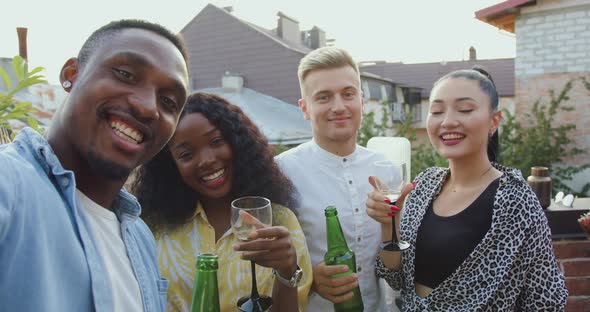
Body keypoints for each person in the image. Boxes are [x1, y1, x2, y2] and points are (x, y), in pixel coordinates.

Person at [0, 20, 190, 311]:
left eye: (168, 101)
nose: (148, 108)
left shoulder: (140, 238)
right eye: (126, 74)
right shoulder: (10, 184)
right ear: (72, 75)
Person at [366, 67, 569, 310]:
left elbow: (546, 301)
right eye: (437, 111)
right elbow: (396, 277)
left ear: (494, 120)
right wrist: (389, 222)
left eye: (465, 109)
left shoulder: (515, 199)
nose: (448, 121)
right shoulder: (423, 186)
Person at [131, 93, 313, 312]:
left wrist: (286, 271)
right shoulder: (153, 229)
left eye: (216, 141)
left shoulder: (280, 221)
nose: (207, 160)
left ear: (238, 142)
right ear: (170, 166)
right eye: (187, 154)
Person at [276, 46, 389, 311]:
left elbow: (396, 261)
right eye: (324, 97)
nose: (339, 106)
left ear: (362, 101)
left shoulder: (387, 169)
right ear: (305, 108)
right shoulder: (281, 173)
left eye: (348, 94)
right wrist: (311, 280)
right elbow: (261, 266)